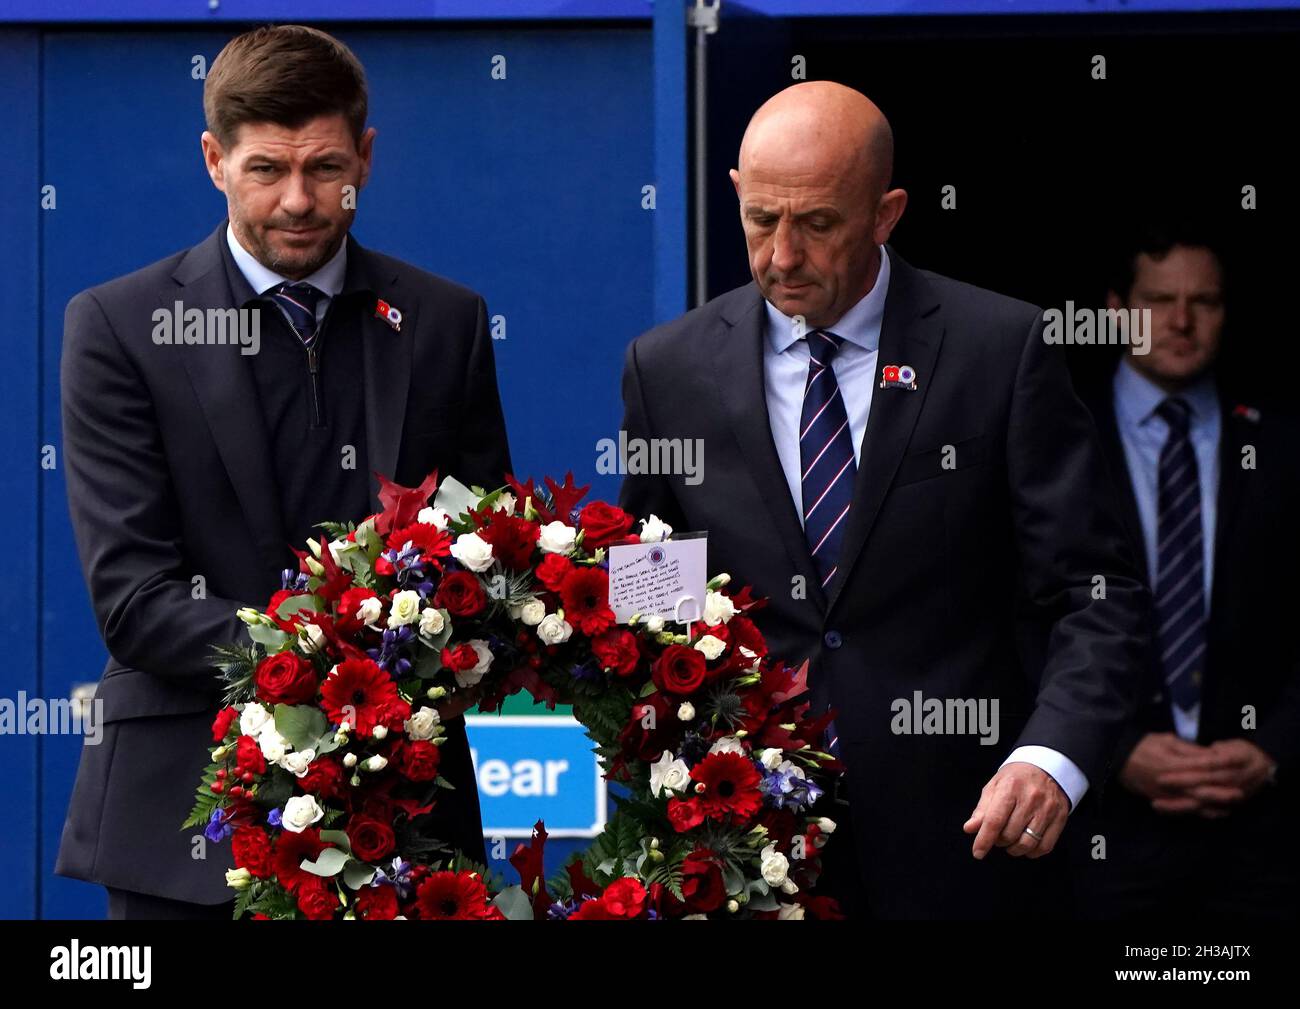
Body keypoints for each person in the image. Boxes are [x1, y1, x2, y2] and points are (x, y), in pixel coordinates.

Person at [618, 81, 1149, 918]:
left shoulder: (1001, 351)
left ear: (887, 211)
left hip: (970, 846)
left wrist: (1051, 757)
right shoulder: (668, 368)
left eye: (818, 223)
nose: (782, 256)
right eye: (761, 218)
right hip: (753, 851)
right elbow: (653, 591)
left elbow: (1095, 593)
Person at [55, 25, 510, 919]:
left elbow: (482, 555)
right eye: (266, 169)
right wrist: (332, 660)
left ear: (367, 157)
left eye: (325, 167)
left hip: (405, 818)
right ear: (214, 159)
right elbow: (133, 600)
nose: (299, 201)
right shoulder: (116, 326)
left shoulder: (444, 320)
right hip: (186, 828)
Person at [1069, 224, 1300, 919]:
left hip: (1265, 832)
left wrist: (1275, 746)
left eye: (1203, 301)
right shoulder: (1058, 436)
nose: (1179, 320)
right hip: (1101, 828)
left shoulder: (1282, 443)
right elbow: (1013, 615)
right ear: (1115, 307)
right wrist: (1109, 749)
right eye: (1159, 299)